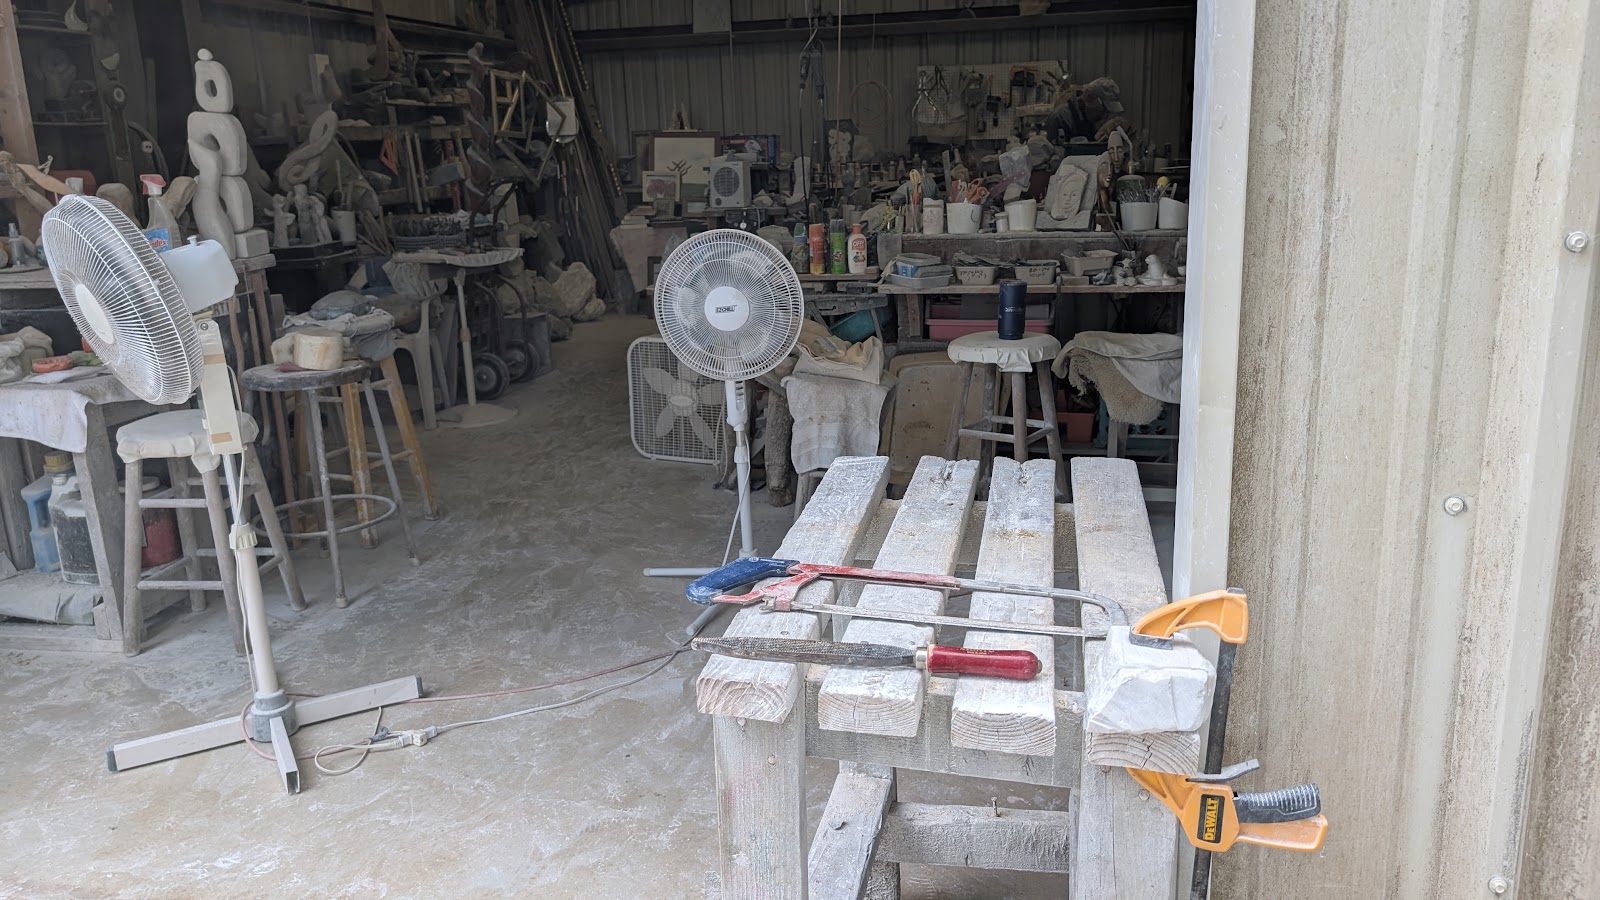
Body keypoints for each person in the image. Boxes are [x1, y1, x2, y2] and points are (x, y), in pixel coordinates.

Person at [1041, 77, 1127, 144]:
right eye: (1104, 110)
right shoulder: (1059, 118)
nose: (1104, 116)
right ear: (1091, 98)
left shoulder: (1090, 119)